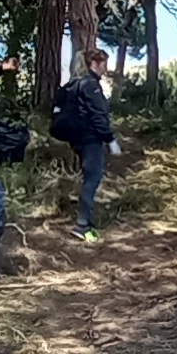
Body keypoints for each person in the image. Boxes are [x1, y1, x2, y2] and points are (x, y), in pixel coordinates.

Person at [51, 48, 116, 242]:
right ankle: (82, 226)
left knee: (88, 178)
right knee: (92, 179)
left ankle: (85, 221)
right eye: (103, 63)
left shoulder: (71, 85)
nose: (105, 68)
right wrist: (110, 139)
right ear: (93, 64)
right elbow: (98, 115)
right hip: (90, 139)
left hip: (76, 139)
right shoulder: (90, 85)